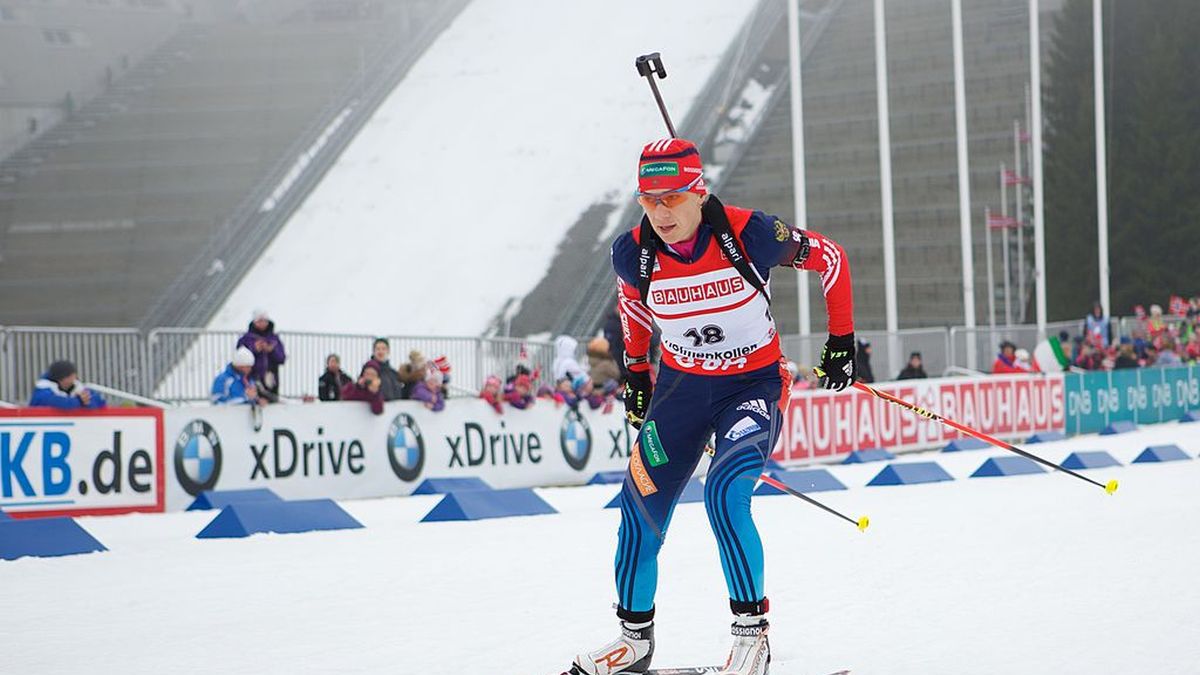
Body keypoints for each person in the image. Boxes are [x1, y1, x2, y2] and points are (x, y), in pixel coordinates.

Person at [566, 138, 856, 675]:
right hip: (679, 392)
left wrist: (842, 342)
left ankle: (752, 638)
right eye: (649, 200)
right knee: (637, 510)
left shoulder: (750, 233)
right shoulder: (633, 251)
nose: (661, 212)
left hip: (752, 388)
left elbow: (831, 258)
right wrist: (635, 369)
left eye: (673, 197)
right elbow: (632, 303)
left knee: (725, 492)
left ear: (699, 192)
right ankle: (634, 641)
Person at [237, 309, 286, 395]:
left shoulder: (274, 339)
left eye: (265, 321)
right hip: (251, 378)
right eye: (259, 321)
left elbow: (281, 358)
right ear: (254, 322)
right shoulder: (246, 339)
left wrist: (271, 350)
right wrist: (254, 349)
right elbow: (239, 358)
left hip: (271, 378)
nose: (262, 323)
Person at [29, 360, 106, 409]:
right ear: (61, 379)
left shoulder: (77, 387)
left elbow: (99, 402)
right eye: (70, 377)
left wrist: (88, 402)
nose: (74, 378)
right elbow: (55, 402)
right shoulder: (43, 389)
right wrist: (79, 401)